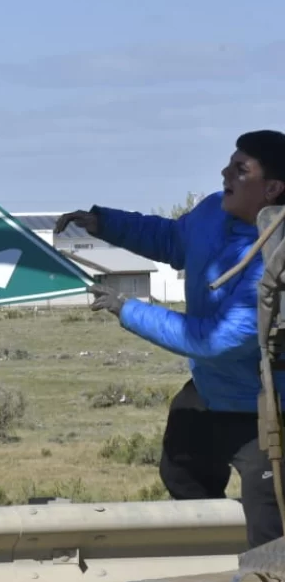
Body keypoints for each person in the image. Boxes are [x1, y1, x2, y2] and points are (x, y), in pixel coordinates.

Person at [55, 130, 285, 554]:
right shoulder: (212, 213)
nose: (224, 172)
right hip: (212, 391)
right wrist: (104, 224)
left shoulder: (275, 259)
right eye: (229, 163)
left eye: (241, 169)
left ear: (272, 189)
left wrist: (127, 308)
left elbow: (213, 340)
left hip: (267, 410)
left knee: (268, 516)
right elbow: (172, 239)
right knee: (180, 472)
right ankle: (211, 562)